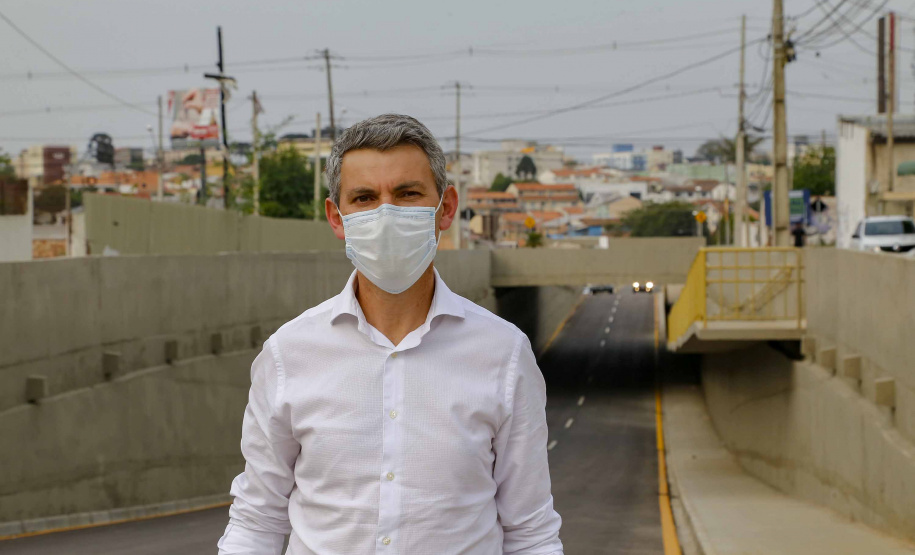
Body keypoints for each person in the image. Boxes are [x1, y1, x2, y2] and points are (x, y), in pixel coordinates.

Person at [217, 114, 563, 554]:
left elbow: (531, 533)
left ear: (446, 208)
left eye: (407, 194)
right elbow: (257, 520)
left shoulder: (504, 353)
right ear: (336, 218)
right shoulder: (288, 353)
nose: (386, 214)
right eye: (364, 198)